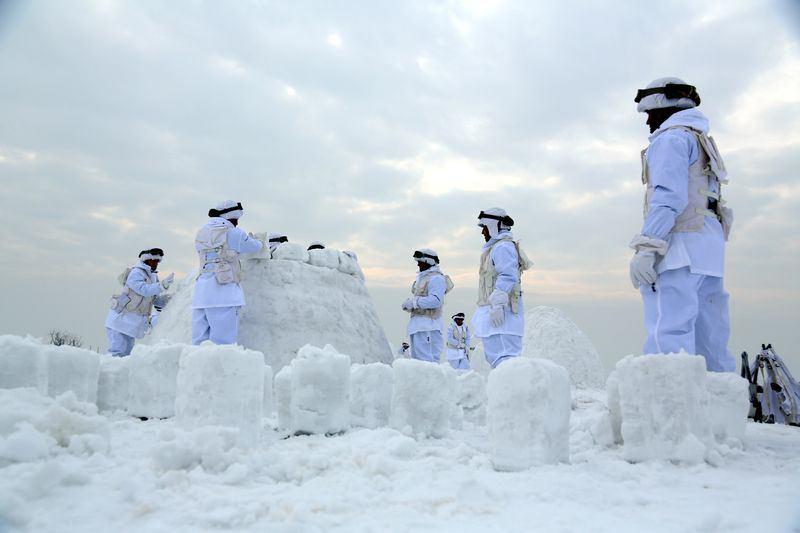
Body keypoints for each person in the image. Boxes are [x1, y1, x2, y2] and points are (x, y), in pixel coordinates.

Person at [629, 77, 735, 372]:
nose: (648, 122)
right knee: (711, 338)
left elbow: (668, 198)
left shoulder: (671, 140)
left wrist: (647, 247)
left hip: (679, 251)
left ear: (665, 107)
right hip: (709, 254)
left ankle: (670, 412)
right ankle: (717, 408)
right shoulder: (701, 140)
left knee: (669, 335)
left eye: (649, 114)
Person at [192, 200, 264, 345]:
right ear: (231, 216)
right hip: (224, 294)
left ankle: (199, 367)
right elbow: (254, 247)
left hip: (201, 295)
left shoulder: (201, 232)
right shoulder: (233, 233)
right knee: (223, 342)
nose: (237, 223)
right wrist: (260, 240)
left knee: (199, 343)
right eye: (236, 219)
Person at [472, 208, 532, 368]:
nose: (483, 232)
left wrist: (498, 304)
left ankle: (512, 392)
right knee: (497, 360)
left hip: (503, 315)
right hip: (496, 315)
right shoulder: (495, 248)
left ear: (494, 226)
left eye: (484, 227)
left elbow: (508, 275)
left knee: (506, 361)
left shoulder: (502, 247)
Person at [106, 248, 174, 356]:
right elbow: (144, 290)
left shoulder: (152, 276)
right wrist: (162, 285)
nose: (155, 264)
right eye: (153, 261)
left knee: (126, 355)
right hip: (119, 322)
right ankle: (107, 372)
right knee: (116, 353)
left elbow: (153, 299)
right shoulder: (136, 272)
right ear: (146, 260)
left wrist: (171, 299)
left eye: (157, 261)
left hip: (130, 325)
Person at [401, 248, 453, 363]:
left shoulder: (436, 278)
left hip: (428, 327)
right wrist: (409, 304)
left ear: (428, 261)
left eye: (420, 261)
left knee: (428, 363)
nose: (418, 264)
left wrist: (414, 302)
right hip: (419, 327)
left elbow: (436, 300)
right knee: (419, 364)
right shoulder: (423, 278)